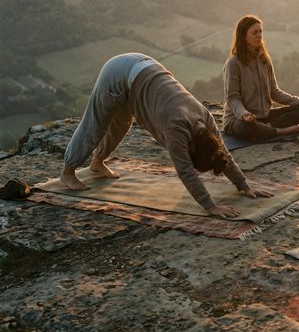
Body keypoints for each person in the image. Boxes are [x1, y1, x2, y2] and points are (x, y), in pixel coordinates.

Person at [60, 53, 272, 218]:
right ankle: (68, 171)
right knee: (96, 124)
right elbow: (185, 171)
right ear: (192, 150)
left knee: (121, 124)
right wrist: (211, 206)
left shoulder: (205, 120)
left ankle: (97, 162)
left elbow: (222, 152)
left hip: (142, 69)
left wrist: (243, 185)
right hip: (118, 73)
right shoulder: (176, 128)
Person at [222, 15, 299, 141]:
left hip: (263, 117)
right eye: (254, 32)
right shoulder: (234, 63)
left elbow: (274, 91)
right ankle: (278, 131)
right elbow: (233, 98)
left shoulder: (264, 59)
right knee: (245, 126)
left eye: (260, 31)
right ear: (244, 36)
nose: (259, 35)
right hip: (240, 119)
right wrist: (243, 114)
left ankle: (264, 129)